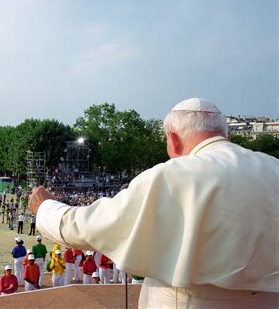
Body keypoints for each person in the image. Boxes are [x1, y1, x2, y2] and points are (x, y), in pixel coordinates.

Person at [30, 98, 279, 307]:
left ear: (173, 139)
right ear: (227, 137)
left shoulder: (173, 174)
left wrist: (46, 209)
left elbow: (89, 227)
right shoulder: (274, 169)